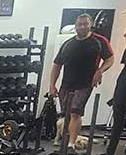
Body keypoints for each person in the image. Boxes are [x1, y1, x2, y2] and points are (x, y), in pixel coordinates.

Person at [49, 13, 115, 147]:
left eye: (85, 24)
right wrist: (52, 85)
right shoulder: (68, 44)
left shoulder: (99, 41)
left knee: (75, 113)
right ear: (75, 26)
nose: (82, 27)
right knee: (65, 115)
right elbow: (57, 65)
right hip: (67, 84)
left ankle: (71, 144)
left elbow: (110, 59)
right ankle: (66, 142)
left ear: (90, 26)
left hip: (85, 84)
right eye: (79, 24)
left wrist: (100, 71)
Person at [97, 21, 126, 155]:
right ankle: (109, 153)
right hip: (122, 90)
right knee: (117, 122)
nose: (125, 33)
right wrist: (117, 92)